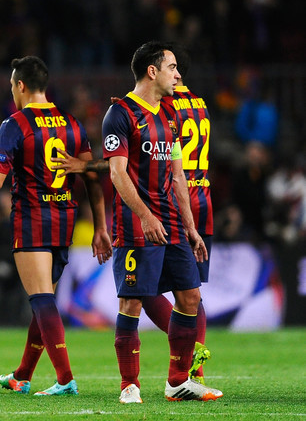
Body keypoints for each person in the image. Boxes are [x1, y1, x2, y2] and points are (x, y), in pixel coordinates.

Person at [51, 41, 222, 403]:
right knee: (131, 303)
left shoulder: (169, 115)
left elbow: (177, 177)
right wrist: (144, 215)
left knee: (190, 297)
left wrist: (191, 228)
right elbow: (116, 173)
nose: (178, 74)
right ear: (152, 70)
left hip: (173, 223)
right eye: (172, 67)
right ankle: (129, 385)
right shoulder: (121, 114)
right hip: (134, 225)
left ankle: (178, 381)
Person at [0, 56, 112, 396]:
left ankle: (64, 378)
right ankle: (22, 375)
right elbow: (90, 177)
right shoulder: (72, 123)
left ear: (20, 86)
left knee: (41, 299)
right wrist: (100, 227)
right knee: (43, 300)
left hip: (33, 218)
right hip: (65, 219)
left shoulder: (15, 124)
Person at [142, 45, 214, 384]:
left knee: (144, 289)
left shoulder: (162, 105)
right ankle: (194, 364)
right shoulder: (199, 104)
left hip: (173, 200)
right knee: (191, 290)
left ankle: (188, 356)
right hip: (204, 199)